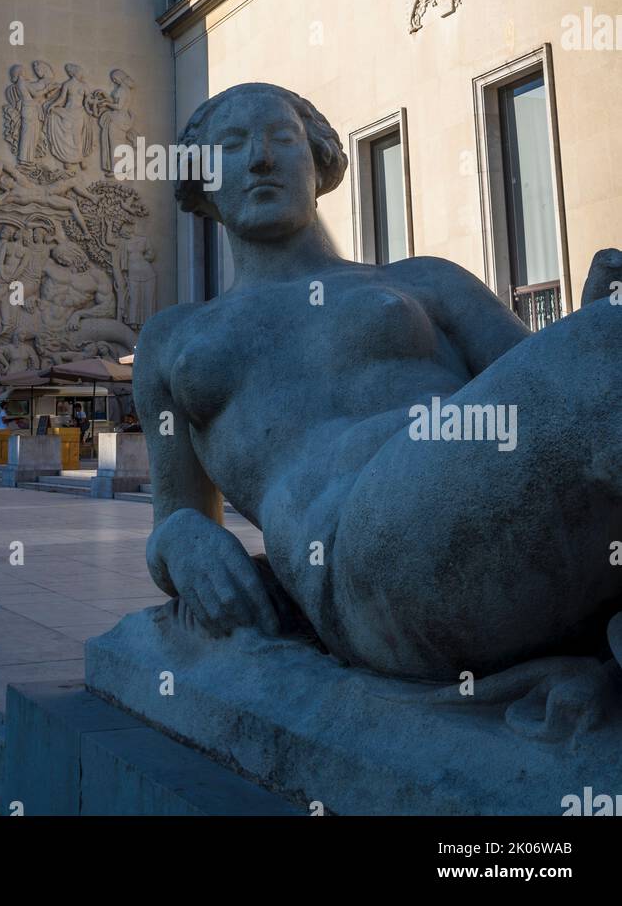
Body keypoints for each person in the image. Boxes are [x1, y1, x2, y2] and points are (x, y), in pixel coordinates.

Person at [135, 81, 622, 682]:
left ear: (318, 161)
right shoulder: (175, 339)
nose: (260, 158)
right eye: (232, 146)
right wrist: (181, 538)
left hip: (496, 509)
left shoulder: (427, 280)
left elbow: (540, 390)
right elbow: (174, 515)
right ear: (202, 183)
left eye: (282, 139)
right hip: (360, 563)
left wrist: (597, 322)